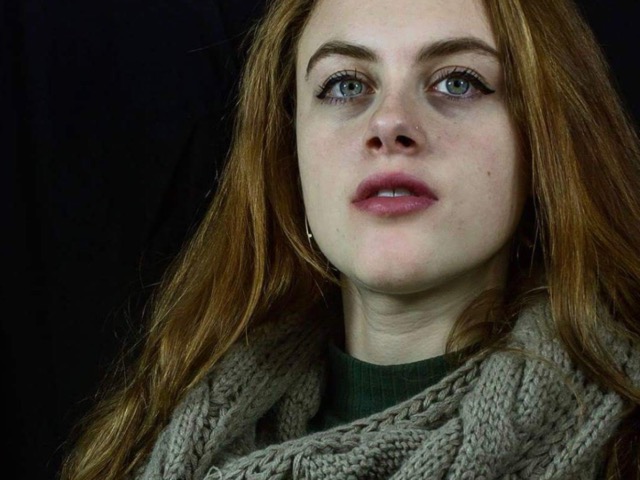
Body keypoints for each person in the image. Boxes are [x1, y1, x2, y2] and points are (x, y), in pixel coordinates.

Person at [61, 0, 640, 478]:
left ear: (544, 140)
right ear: (288, 155)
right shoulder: (147, 445)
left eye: (457, 82)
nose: (389, 123)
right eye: (345, 85)